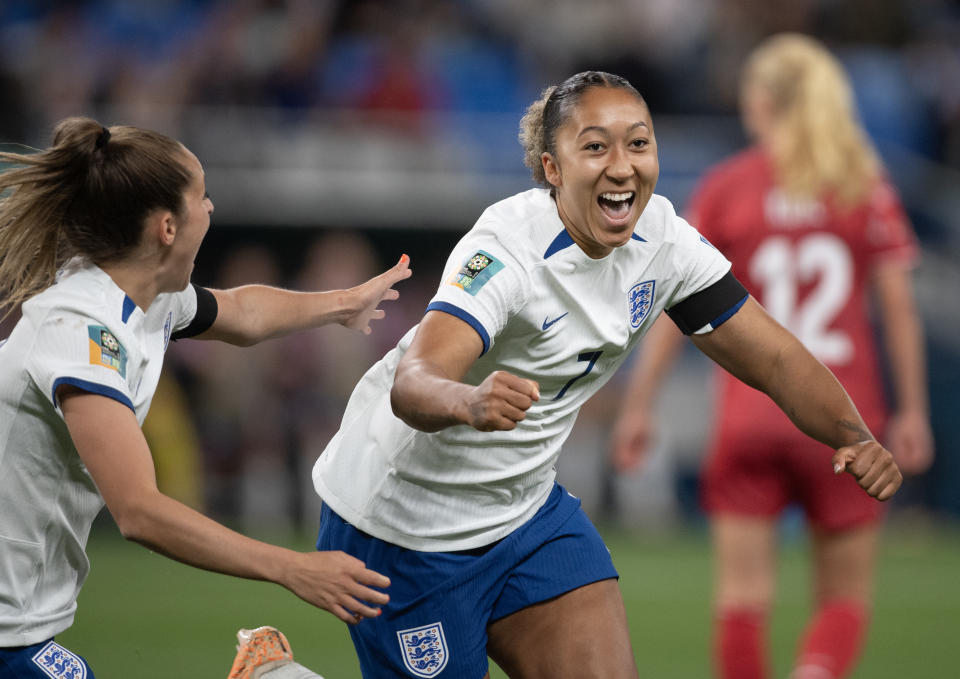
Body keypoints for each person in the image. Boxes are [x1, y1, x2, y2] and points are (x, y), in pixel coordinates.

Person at [311, 70, 903, 679]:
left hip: (523, 514)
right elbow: (414, 382)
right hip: (402, 527)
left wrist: (852, 436)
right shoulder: (506, 249)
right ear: (552, 168)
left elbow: (775, 357)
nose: (622, 166)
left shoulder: (663, 239)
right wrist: (468, 401)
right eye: (595, 147)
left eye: (638, 143)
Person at [0, 117, 412, 677]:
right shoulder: (81, 330)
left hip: (25, 620)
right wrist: (292, 567)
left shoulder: (144, 297)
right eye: (202, 196)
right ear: (167, 227)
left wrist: (343, 303)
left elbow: (241, 312)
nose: (212, 208)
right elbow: (140, 510)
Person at [610, 35, 933, 679]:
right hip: (844, 417)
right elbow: (898, 308)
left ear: (761, 101)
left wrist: (638, 405)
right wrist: (914, 412)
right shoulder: (861, 184)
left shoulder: (729, 187)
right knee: (844, 601)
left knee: (741, 602)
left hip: (750, 415)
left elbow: (679, 309)